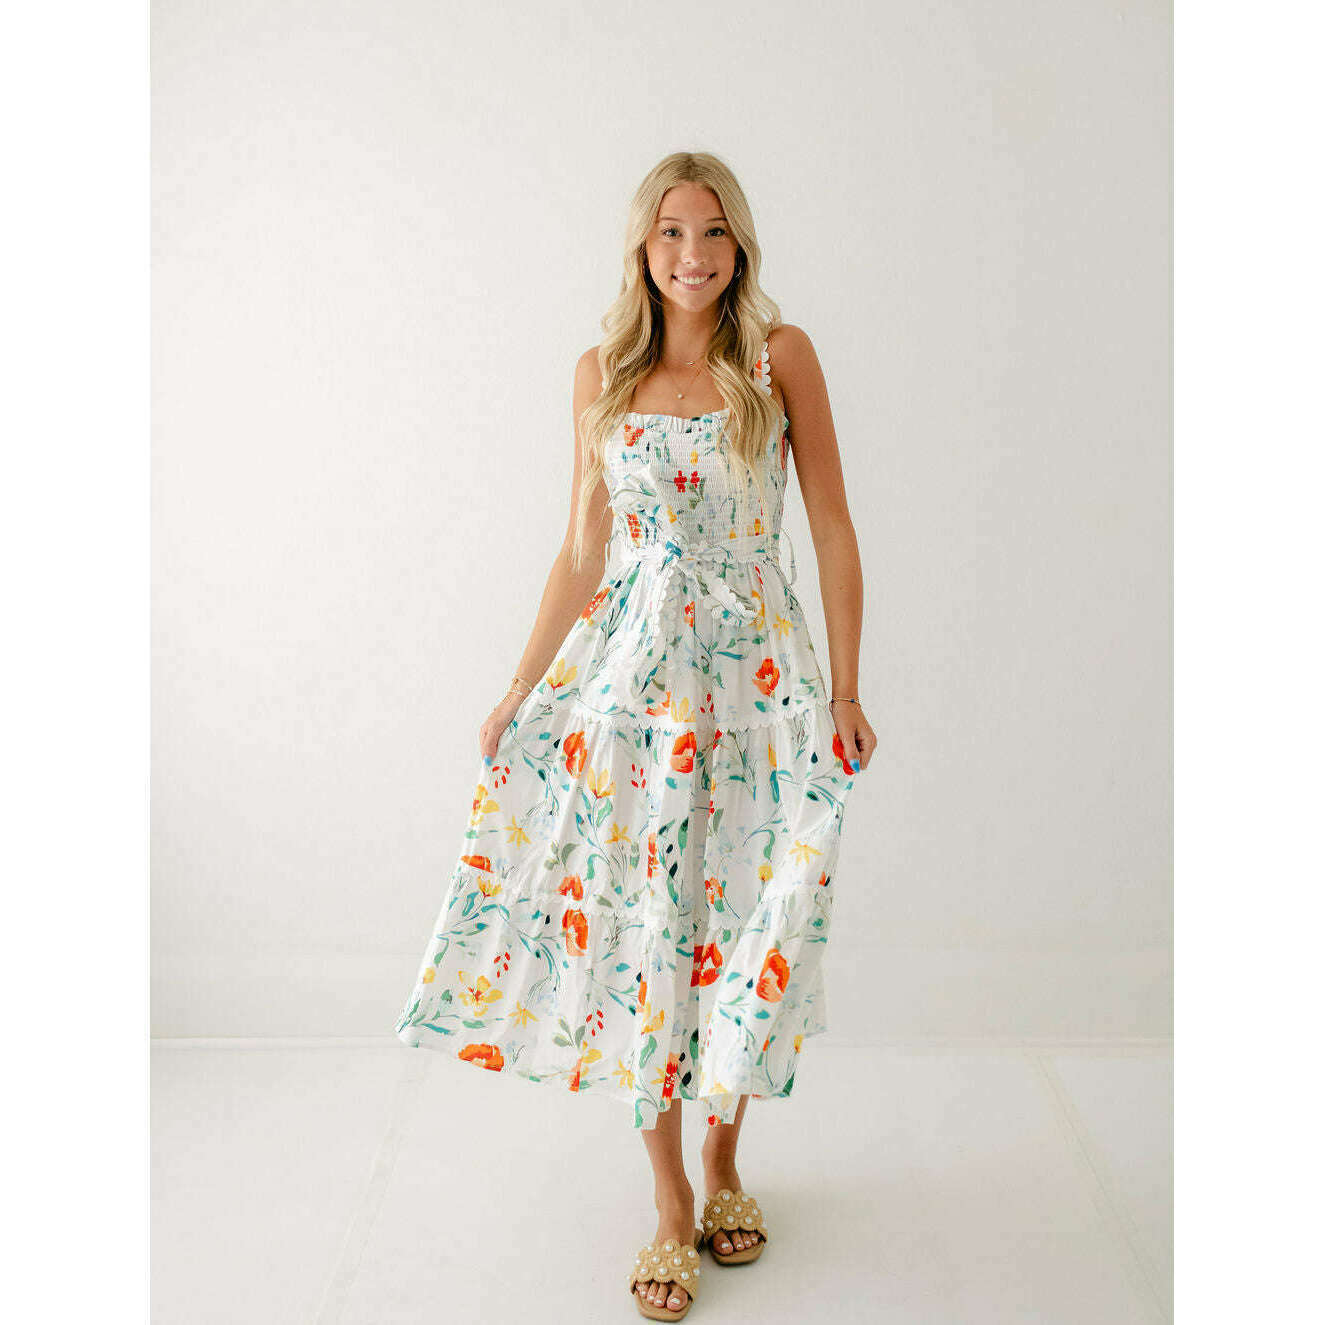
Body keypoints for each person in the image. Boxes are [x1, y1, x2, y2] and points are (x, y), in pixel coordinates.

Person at [395, 150, 875, 1319]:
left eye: (711, 231)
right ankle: (668, 1197)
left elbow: (829, 525)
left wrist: (846, 691)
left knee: (749, 923)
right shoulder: (601, 373)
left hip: (759, 688)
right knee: (646, 925)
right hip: (633, 690)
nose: (691, 253)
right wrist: (517, 687)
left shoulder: (778, 358)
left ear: (738, 244)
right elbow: (580, 550)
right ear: (641, 247)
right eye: (669, 231)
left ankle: (724, 1154)